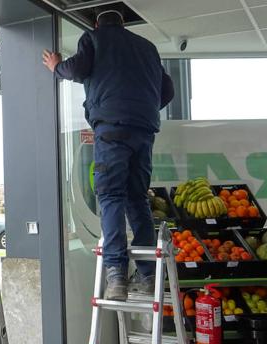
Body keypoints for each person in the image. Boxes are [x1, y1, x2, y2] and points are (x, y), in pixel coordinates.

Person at [42, 8, 175, 300]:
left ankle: (116, 275)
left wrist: (56, 66)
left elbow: (77, 69)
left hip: (113, 130)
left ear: (97, 24)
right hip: (144, 131)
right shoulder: (147, 48)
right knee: (137, 198)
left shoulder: (94, 39)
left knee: (111, 196)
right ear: (124, 23)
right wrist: (143, 107)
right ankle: (148, 273)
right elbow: (167, 91)